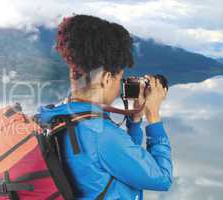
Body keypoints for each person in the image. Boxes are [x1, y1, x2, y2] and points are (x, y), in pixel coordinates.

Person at [37, 15, 173, 199]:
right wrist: (154, 117)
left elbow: (125, 160)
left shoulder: (57, 115)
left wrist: (134, 119)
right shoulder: (100, 134)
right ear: (106, 78)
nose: (119, 87)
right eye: (119, 78)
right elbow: (162, 178)